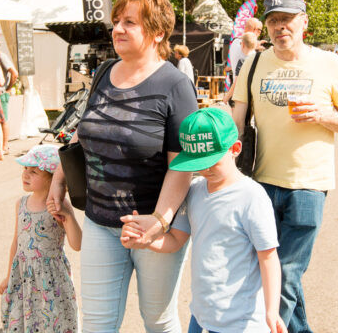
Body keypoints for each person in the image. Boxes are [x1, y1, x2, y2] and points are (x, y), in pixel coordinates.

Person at [48, 0, 198, 332]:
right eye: (116, 20)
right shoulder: (103, 73)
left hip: (152, 225)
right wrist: (59, 180)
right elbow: (83, 133)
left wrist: (159, 221)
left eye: (130, 22)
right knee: (98, 323)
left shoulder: (175, 86)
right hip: (100, 224)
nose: (117, 29)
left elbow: (182, 164)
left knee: (158, 320)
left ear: (158, 31)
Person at [232, 0, 338, 333]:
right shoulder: (254, 63)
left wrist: (321, 114)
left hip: (309, 185)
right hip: (261, 181)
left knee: (286, 271)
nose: (279, 27)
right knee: (277, 271)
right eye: (273, 20)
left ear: (304, 22)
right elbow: (237, 118)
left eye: (286, 19)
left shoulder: (328, 63)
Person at [121, 108, 287, 333]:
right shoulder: (195, 190)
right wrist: (145, 239)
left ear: (235, 149)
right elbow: (176, 240)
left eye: (212, 161)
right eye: (197, 162)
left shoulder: (252, 197)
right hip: (201, 316)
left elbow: (268, 257)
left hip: (242, 323)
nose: (205, 169)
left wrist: (271, 310)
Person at [0, 145, 81, 332]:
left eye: (33, 171)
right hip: (23, 276)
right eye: (25, 169)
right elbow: (16, 243)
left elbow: (77, 244)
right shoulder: (21, 204)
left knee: (54, 320)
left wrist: (68, 216)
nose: (25, 175)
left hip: (51, 279)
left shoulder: (58, 205)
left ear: (53, 178)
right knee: (24, 320)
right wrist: (8, 276)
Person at [223, 32, 257, 104]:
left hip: (243, 97)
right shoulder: (258, 58)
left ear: (243, 44)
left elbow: (236, 83)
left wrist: (227, 97)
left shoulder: (242, 61)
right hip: (256, 96)